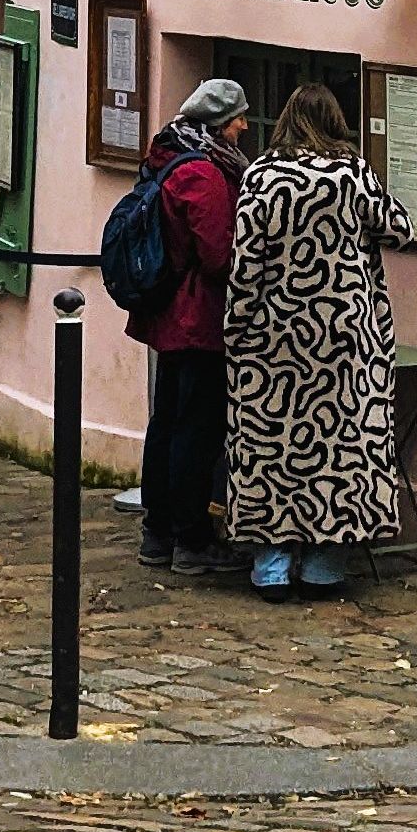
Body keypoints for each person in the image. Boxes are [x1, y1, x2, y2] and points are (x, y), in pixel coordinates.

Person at [225, 82, 412, 599]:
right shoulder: (352, 174)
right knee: (339, 448)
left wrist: (236, 328)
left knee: (270, 444)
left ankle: (272, 565)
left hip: (273, 334)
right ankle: (324, 565)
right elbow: (399, 227)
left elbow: (246, 262)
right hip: (343, 335)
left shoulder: (260, 176)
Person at [131, 79, 251, 575]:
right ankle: (190, 537)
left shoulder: (167, 154)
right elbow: (218, 254)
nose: (245, 125)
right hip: (196, 315)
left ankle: (157, 531)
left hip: (167, 313)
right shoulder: (203, 172)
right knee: (194, 428)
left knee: (165, 422)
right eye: (239, 117)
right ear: (219, 123)